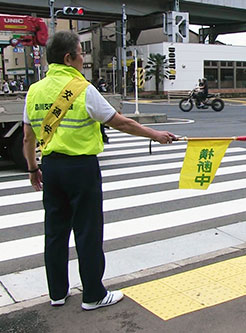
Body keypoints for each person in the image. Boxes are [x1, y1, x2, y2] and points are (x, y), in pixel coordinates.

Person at [22, 31, 177, 311]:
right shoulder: (82, 89)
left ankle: (57, 293)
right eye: (81, 53)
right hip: (81, 169)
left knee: (55, 232)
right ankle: (93, 294)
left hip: (51, 167)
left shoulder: (35, 90)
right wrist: (154, 134)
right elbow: (120, 122)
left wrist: (34, 169)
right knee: (88, 231)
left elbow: (27, 137)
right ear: (69, 58)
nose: (83, 58)